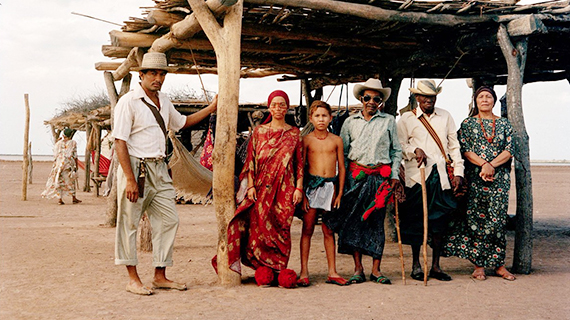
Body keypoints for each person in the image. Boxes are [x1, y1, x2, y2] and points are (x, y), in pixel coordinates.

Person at [113, 52, 217, 295]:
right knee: (129, 223)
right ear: (141, 75)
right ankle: (132, 279)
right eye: (152, 73)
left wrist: (211, 108)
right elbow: (120, 142)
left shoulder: (164, 100)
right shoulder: (129, 101)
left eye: (161, 74)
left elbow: (182, 123)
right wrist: (129, 179)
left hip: (160, 168)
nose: (157, 78)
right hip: (136, 169)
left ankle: (160, 275)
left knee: (169, 220)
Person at [325, 78, 403, 285]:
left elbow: (396, 150)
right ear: (361, 98)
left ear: (381, 102)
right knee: (354, 222)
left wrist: (394, 175)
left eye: (376, 99)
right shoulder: (349, 123)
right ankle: (358, 268)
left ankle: (376, 270)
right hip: (356, 178)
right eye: (367, 97)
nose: (371, 101)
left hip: (380, 179)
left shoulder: (388, 121)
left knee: (376, 223)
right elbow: (344, 154)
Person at [226, 90, 304, 283]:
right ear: (269, 107)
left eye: (282, 104)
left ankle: (280, 268)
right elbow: (250, 161)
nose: (278, 108)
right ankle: (263, 268)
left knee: (282, 226)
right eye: (274, 104)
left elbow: (300, 164)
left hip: (286, 188)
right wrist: (250, 186)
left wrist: (299, 188)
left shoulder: (295, 134)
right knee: (259, 228)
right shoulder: (259, 132)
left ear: (287, 107)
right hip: (261, 187)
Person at [442, 86, 516, 281]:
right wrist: (483, 165)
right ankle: (479, 265)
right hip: (476, 178)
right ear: (475, 101)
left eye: (488, 96)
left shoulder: (504, 124)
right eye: (481, 96)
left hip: (499, 179)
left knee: (498, 221)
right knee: (477, 221)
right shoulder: (467, 124)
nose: (485, 100)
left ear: (493, 101)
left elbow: (509, 150)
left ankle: (499, 265)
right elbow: (464, 150)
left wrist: (491, 165)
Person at [397, 79, 465, 282]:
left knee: (439, 223)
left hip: (441, 177)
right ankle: (417, 265)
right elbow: (399, 146)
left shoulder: (445, 116)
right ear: (417, 98)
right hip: (417, 178)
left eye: (432, 96)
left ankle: (435, 266)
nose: (428, 100)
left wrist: (459, 172)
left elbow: (454, 146)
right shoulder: (406, 119)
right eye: (424, 96)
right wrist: (413, 150)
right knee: (416, 221)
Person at [297, 100, 347, 287]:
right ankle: (303, 272)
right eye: (317, 116)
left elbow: (341, 168)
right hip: (311, 186)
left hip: (330, 187)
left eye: (324, 116)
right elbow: (301, 167)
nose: (321, 119)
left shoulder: (336, 140)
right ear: (311, 118)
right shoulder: (306, 140)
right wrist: (301, 192)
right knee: (307, 229)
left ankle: (332, 271)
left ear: (330, 118)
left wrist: (339, 192)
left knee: (329, 230)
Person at [41, 128, 82, 205]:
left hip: (59, 164)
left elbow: (55, 154)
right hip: (68, 164)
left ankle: (60, 199)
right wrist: (76, 165)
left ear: (63, 135)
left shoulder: (58, 143)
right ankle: (73, 198)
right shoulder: (73, 143)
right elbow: (75, 155)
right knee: (70, 181)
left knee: (59, 181)